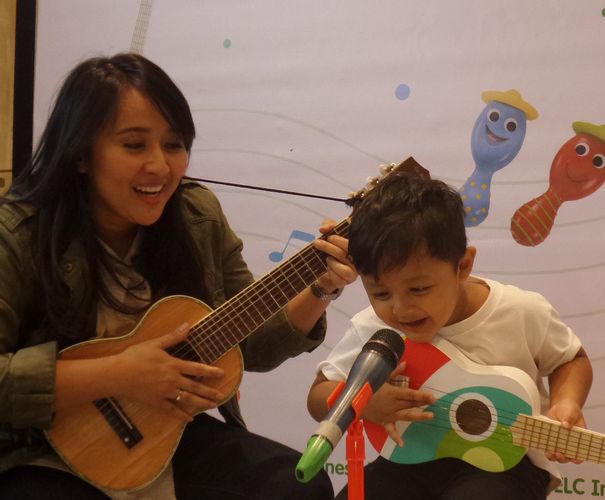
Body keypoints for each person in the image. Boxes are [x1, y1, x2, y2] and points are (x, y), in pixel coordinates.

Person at [0, 52, 357, 499]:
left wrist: (322, 285)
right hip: (32, 448)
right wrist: (120, 373)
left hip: (160, 435)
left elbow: (251, 346)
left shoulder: (196, 215)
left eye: (174, 145)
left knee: (292, 485)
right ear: (80, 155)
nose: (160, 166)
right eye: (134, 145)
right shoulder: (16, 234)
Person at [307, 172, 593, 499]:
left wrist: (566, 402)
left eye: (419, 288)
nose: (401, 309)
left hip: (507, 462)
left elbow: (571, 359)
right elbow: (318, 395)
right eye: (381, 294)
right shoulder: (372, 326)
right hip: (406, 459)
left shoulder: (520, 310)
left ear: (463, 266)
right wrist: (363, 402)